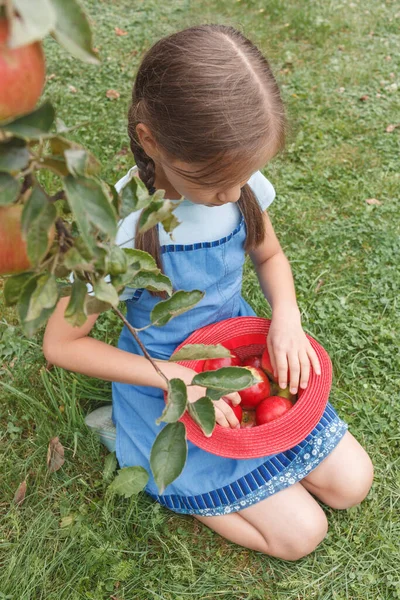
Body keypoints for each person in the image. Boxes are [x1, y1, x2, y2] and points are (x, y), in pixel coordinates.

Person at [43, 24, 373, 561]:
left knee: (353, 482)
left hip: (237, 361)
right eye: (216, 182)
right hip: (165, 381)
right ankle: (135, 442)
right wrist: (172, 375)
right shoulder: (116, 230)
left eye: (243, 179)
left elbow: (269, 255)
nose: (233, 195)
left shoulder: (237, 187)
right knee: (300, 536)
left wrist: (286, 314)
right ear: (151, 141)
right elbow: (62, 345)